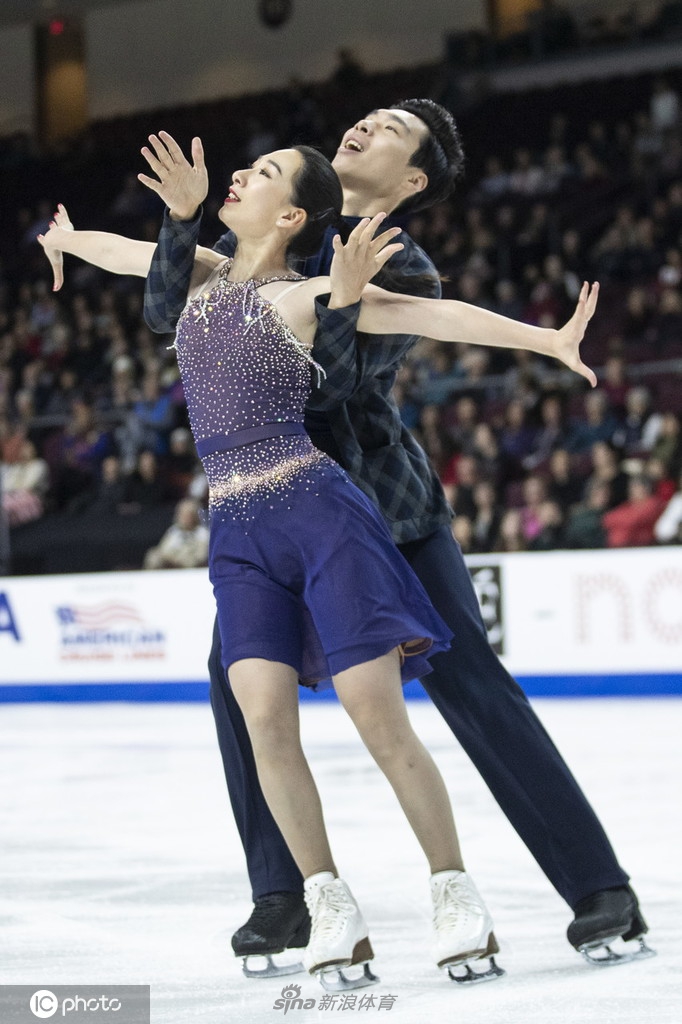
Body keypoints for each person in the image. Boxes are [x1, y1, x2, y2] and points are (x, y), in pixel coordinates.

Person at [40, 101, 647, 976]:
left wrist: (331, 294)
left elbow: (332, 385)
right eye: (367, 117)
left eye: (393, 129)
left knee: (469, 675)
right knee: (238, 683)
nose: (366, 126)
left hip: (377, 506)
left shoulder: (406, 267)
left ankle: (595, 884)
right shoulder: (255, 241)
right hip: (263, 513)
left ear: (411, 182)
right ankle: (286, 898)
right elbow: (165, 292)